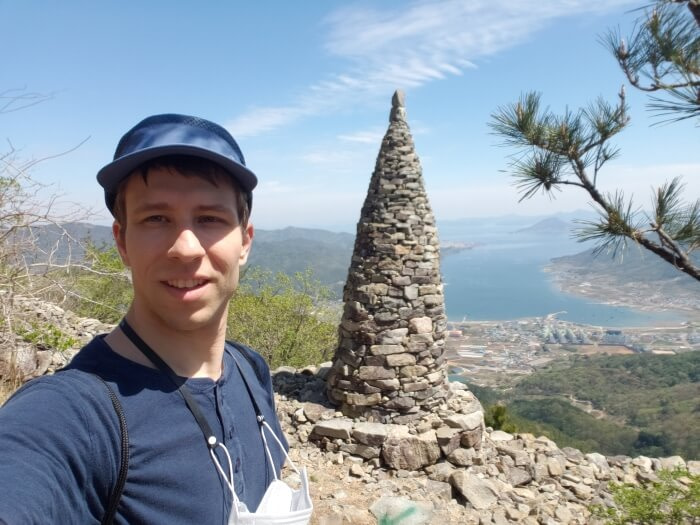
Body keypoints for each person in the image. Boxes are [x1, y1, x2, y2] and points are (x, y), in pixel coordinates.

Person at [0, 114, 312, 524]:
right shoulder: (71, 417)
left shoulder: (250, 370)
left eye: (210, 219)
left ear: (245, 242)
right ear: (122, 242)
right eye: (156, 219)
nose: (185, 248)